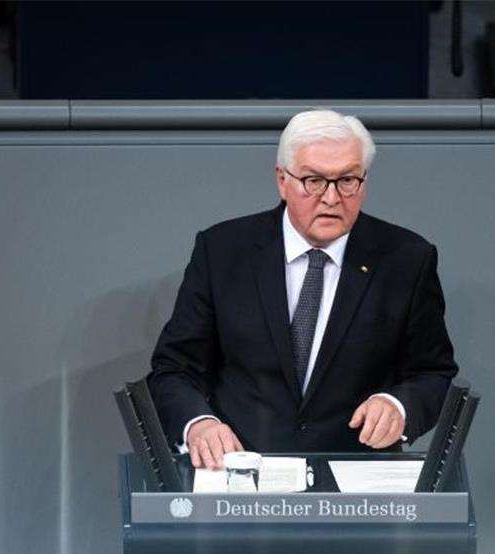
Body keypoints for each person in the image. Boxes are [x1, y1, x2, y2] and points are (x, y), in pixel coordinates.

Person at [149, 109, 457, 469]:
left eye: (347, 180)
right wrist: (198, 425)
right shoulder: (223, 251)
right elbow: (173, 369)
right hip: (240, 476)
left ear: (364, 181)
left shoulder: (406, 259)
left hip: (356, 484)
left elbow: (432, 373)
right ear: (282, 180)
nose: (331, 197)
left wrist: (398, 407)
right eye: (313, 180)